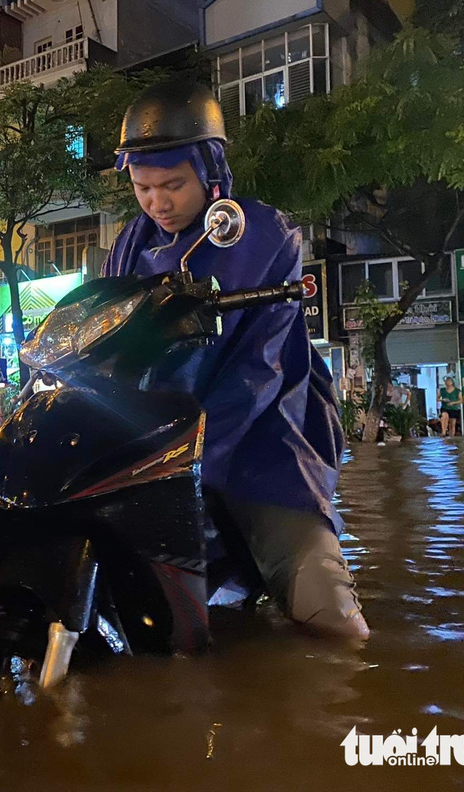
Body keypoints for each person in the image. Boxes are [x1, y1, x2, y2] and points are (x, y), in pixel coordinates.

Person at [103, 79, 368, 639]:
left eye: (172, 184)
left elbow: (259, 370)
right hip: (159, 447)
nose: (158, 203)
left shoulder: (266, 236)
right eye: (143, 187)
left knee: (335, 625)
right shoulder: (129, 242)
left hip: (261, 443)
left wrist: (190, 453)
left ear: (209, 170)